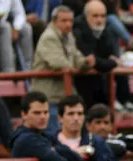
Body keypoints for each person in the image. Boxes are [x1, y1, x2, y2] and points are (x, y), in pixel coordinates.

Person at [30, 5, 95, 133]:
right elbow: (59, 63)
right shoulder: (49, 37)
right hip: (49, 96)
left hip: (63, 95)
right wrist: (78, 67)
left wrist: (86, 63)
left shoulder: (68, 36)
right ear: (54, 21)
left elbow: (77, 58)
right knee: (54, 136)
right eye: (64, 21)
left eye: (70, 21)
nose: (68, 24)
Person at [72, 1, 133, 113]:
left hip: (100, 87)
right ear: (86, 16)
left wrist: (106, 62)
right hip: (83, 88)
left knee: (120, 71)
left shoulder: (105, 31)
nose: (99, 20)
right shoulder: (77, 30)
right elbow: (93, 60)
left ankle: (124, 101)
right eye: (95, 16)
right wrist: (111, 63)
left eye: (102, 16)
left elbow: (107, 55)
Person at [0, 0, 34, 71]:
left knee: (26, 28)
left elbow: (20, 14)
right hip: (0, 28)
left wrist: (16, 28)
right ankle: (8, 72)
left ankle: (26, 71)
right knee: (5, 27)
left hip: (0, 26)